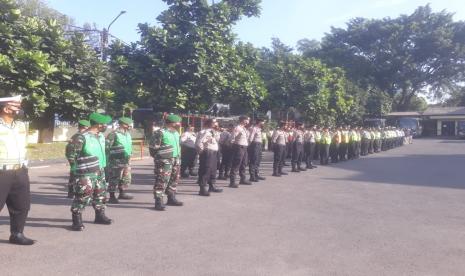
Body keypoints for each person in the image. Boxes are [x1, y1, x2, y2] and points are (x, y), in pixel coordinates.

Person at [68, 112, 113, 231]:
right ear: (98, 124)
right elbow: (71, 154)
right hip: (85, 172)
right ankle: (76, 220)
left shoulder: (101, 136)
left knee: (101, 194)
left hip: (100, 170)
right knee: (83, 196)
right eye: (104, 124)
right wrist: (76, 170)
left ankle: (100, 216)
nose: (106, 126)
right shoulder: (81, 137)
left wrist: (105, 168)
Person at [0, 95, 35, 245]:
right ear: (5, 108)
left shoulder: (21, 126)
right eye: (16, 106)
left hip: (19, 171)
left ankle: (17, 234)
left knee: (22, 205)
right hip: (2, 172)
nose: (19, 109)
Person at [149, 114, 184, 211]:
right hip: (164, 161)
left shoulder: (176, 133)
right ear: (172, 123)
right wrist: (160, 158)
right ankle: (158, 201)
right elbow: (153, 148)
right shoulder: (160, 133)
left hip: (175, 160)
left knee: (174, 179)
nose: (179, 124)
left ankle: (171, 197)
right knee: (162, 180)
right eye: (178, 122)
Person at [106, 117, 134, 204]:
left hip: (126, 159)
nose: (130, 126)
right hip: (116, 160)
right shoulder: (114, 134)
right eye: (128, 124)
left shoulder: (127, 134)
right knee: (114, 178)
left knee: (126, 177)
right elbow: (107, 147)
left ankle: (122, 193)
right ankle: (112, 196)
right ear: (122, 124)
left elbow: (129, 145)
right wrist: (107, 161)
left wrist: (131, 154)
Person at [196, 118, 223, 196]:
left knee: (213, 170)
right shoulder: (205, 132)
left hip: (214, 152)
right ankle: (202, 188)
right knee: (206, 170)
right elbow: (199, 143)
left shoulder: (213, 132)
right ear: (209, 123)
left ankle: (212, 185)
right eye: (214, 122)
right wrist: (202, 151)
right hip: (208, 152)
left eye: (216, 122)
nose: (216, 124)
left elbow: (218, 140)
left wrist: (217, 130)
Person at [65, 120, 90, 198]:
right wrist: (72, 160)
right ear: (85, 127)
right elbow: (71, 150)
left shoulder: (81, 136)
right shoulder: (79, 137)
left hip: (78, 159)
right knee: (74, 175)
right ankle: (71, 192)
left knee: (75, 175)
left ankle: (72, 192)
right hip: (76, 159)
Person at [229, 115, 251, 188]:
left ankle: (243, 179)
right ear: (243, 120)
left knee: (244, 163)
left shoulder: (243, 128)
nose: (248, 121)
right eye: (247, 120)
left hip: (244, 147)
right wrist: (233, 146)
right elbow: (232, 138)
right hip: (239, 147)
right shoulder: (237, 128)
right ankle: (232, 182)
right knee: (236, 164)